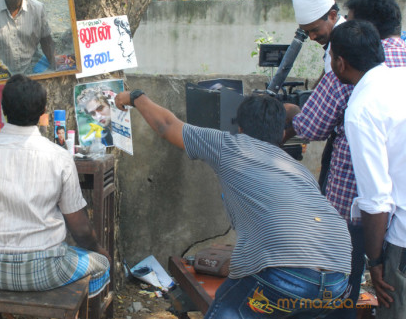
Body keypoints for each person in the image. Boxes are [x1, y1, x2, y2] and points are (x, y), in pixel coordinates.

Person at [115, 91, 351, 318]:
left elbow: (167, 125)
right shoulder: (297, 169)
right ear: (281, 134)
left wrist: (136, 97)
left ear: (240, 128)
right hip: (337, 280)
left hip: (286, 275)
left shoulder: (229, 145)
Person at [284, 0, 406, 317]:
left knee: (342, 289)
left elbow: (310, 126)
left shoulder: (355, 87)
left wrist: (287, 115)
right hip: (398, 213)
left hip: (355, 207)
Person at [0, 75, 110, 300]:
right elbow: (81, 230)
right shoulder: (59, 157)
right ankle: (70, 310)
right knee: (102, 264)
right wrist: (98, 250)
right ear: (43, 111)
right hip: (43, 270)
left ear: (3, 107)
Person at [329, 19, 406, 319]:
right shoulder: (401, 78)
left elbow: (376, 200)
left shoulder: (362, 110)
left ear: (339, 62)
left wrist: (374, 262)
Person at [291, 0, 345, 76]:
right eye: (307, 32)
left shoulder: (344, 42)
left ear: (332, 15)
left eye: (315, 30)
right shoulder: (335, 41)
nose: (311, 37)